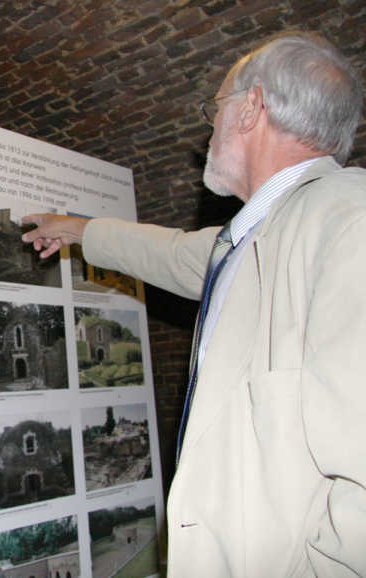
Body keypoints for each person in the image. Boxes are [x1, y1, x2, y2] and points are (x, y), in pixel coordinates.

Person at [22, 32, 365, 577]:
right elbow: (179, 256)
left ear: (251, 108)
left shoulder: (351, 220)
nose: (210, 128)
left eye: (218, 108)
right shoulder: (259, 235)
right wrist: (80, 231)